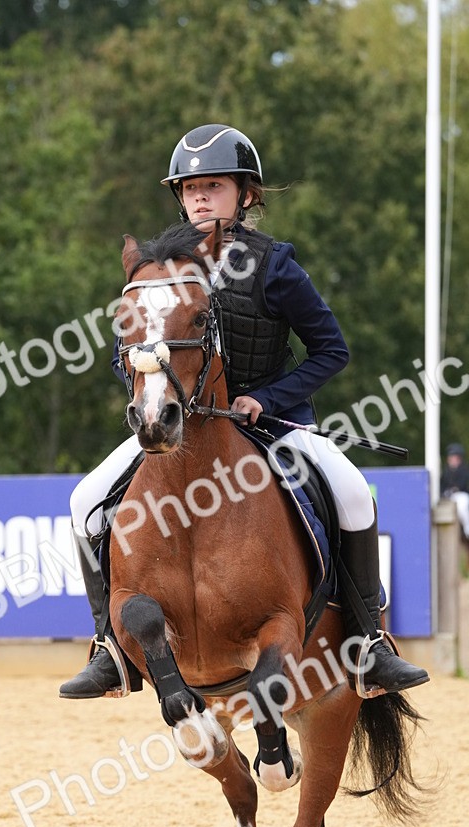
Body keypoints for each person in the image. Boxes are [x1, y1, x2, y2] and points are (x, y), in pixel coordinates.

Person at [60, 123, 429, 700]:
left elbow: (332, 350)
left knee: (355, 493)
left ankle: (368, 645)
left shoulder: (274, 265)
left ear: (246, 194)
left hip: (273, 422)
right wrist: (151, 389)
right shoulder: (158, 268)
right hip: (176, 423)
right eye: (189, 188)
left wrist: (268, 400)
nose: (200, 197)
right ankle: (110, 648)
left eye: (214, 185)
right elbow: (124, 354)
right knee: (85, 502)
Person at [440, 443, 469, 540]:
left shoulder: (464, 470)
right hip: (447, 497)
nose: (452, 459)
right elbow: (442, 485)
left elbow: (462, 485)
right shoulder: (446, 471)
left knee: (463, 505)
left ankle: (467, 529)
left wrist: (454, 489)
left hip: (461, 495)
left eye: (455, 457)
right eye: (451, 457)